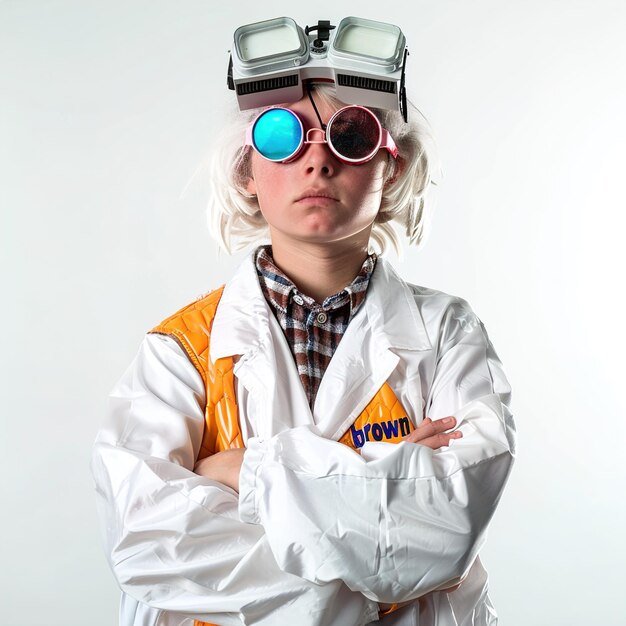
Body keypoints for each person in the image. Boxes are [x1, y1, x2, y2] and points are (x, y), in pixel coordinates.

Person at [92, 16, 515, 626]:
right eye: (284, 136)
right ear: (247, 170)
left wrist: (243, 473)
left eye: (350, 134)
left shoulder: (448, 335)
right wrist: (381, 527)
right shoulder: (179, 351)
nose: (316, 162)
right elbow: (149, 544)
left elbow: (447, 529)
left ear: (391, 166)